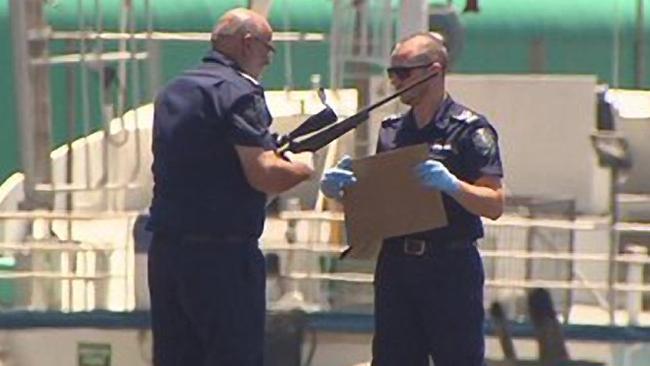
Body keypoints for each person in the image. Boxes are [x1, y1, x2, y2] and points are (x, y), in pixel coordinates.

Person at [320, 32, 505, 366]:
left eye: (402, 72)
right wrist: (342, 191)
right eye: (391, 73)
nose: (394, 81)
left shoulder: (469, 130)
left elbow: (494, 203)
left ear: (433, 70)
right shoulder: (392, 130)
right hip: (397, 264)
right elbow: (381, 205)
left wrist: (453, 186)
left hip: (448, 264)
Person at [146, 8, 314, 366]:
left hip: (167, 257)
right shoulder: (239, 92)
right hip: (222, 259)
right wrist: (304, 168)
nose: (268, 59)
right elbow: (263, 173)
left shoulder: (174, 90)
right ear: (248, 43)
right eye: (268, 49)